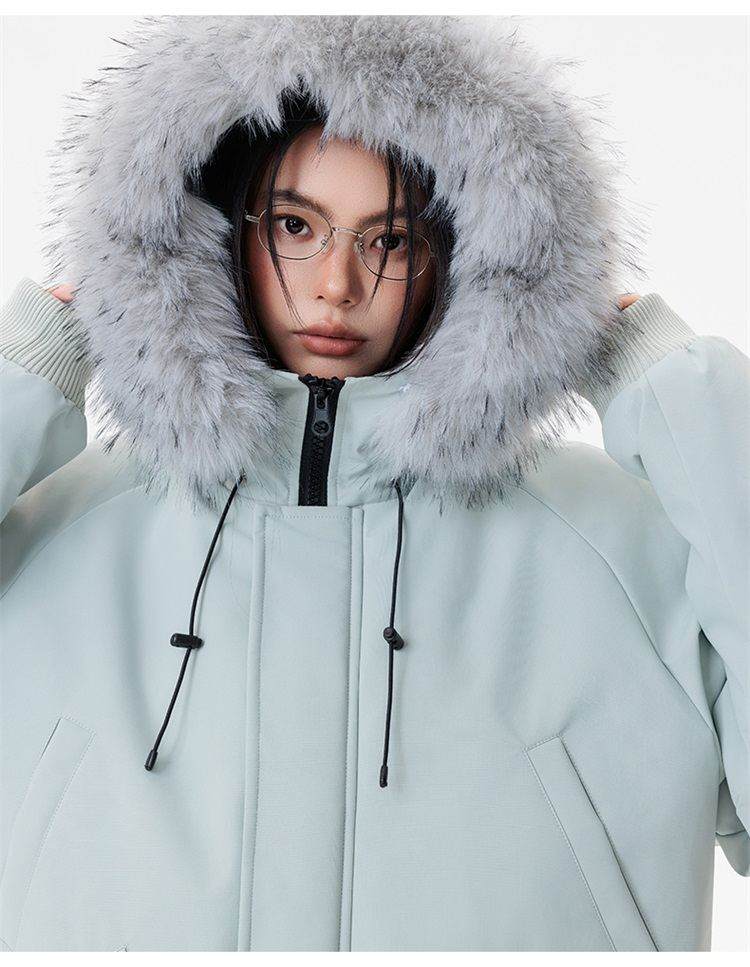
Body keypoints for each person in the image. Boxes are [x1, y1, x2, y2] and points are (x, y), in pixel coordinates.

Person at [0, 15, 747, 953]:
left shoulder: (620, 542)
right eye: (295, 226)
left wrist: (684, 399)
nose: (336, 285)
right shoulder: (58, 531)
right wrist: (27, 370)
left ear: (471, 252)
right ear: (206, 229)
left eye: (390, 240)